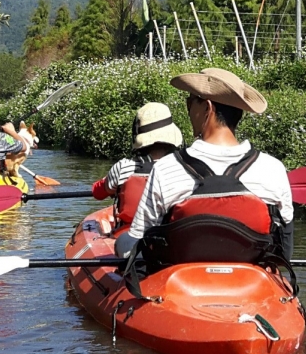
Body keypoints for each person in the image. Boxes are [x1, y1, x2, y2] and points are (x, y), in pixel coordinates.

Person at [121, 68, 293, 263]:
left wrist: (120, 244)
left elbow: (138, 245)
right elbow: (285, 250)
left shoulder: (166, 169)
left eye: (190, 100)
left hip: (180, 287)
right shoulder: (274, 169)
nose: (187, 108)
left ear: (207, 109)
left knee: (122, 244)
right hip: (253, 287)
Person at [92, 102, 183, 231]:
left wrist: (115, 187)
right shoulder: (185, 168)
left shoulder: (123, 167)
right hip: (170, 238)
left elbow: (97, 193)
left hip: (129, 238)